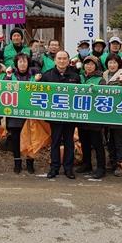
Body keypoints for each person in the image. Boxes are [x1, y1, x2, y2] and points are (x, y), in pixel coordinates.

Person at [41, 50, 80, 179]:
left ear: (68, 60)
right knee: (55, 142)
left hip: (70, 116)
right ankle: (54, 168)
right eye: (59, 58)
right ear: (55, 60)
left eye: (64, 58)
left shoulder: (75, 76)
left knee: (69, 142)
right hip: (55, 116)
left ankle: (68, 169)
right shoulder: (47, 76)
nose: (62, 61)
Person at [3, 53, 41, 174]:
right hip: (15, 113)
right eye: (20, 62)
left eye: (25, 61)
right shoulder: (10, 75)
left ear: (28, 63)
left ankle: (30, 162)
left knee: (30, 139)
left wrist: (38, 81)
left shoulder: (35, 76)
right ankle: (17, 162)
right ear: (16, 64)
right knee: (15, 139)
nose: (23, 64)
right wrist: (8, 77)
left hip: (30, 113)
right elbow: (3, 88)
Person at [77, 55, 106, 179]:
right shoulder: (79, 77)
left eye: (92, 64)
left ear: (96, 66)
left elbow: (104, 96)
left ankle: (101, 167)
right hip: (81, 115)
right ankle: (86, 164)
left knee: (97, 143)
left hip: (95, 117)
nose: (89, 66)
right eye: (87, 64)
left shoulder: (100, 80)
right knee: (84, 142)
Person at [99, 53, 122, 177]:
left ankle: (120, 164)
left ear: (119, 64)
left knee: (119, 140)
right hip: (105, 113)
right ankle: (112, 161)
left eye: (114, 62)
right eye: (110, 62)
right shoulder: (103, 75)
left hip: (118, 114)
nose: (112, 65)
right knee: (108, 139)